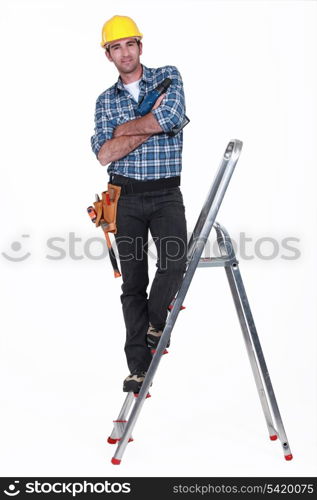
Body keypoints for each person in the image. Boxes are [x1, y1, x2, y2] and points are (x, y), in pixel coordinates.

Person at [91, 15, 188, 393]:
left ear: (140, 46)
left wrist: (123, 130)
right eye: (116, 47)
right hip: (123, 197)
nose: (125, 52)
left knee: (174, 262)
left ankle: (154, 322)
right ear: (109, 55)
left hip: (166, 193)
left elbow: (171, 116)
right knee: (132, 284)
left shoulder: (168, 76)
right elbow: (103, 154)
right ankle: (137, 367)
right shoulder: (104, 100)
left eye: (130, 44)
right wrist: (151, 122)